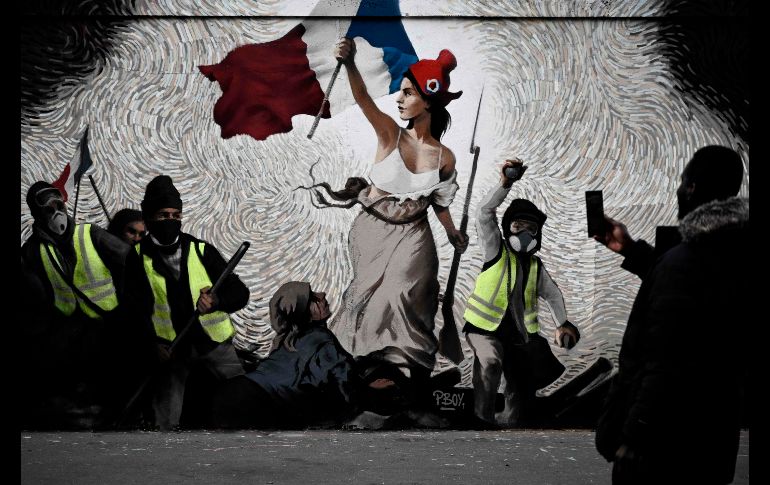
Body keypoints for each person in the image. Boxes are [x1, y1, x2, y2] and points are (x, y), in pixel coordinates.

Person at [312, 38, 468, 400]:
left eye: (409, 93)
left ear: (428, 101)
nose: (399, 100)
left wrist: (451, 232)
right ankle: (366, 367)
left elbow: (439, 201)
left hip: (416, 233)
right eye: (400, 92)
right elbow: (365, 98)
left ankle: (404, 367)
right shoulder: (388, 133)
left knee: (408, 293)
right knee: (369, 298)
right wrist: (349, 64)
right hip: (374, 229)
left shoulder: (445, 156)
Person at [594, 146, 749, 484]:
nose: (678, 190)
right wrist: (632, 250)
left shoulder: (686, 262)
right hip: (712, 442)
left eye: (682, 182)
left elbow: (667, 361)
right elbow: (698, 296)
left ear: (691, 187)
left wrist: (635, 436)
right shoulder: (731, 254)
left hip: (662, 451)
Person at [20, 181, 155, 429]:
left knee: (121, 379)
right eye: (47, 210)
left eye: (58, 206)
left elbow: (132, 263)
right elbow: (32, 301)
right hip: (71, 330)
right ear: (35, 213)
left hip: (112, 321)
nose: (55, 214)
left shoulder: (89, 234)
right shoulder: (31, 251)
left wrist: (134, 305)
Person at [463, 159, 580, 427]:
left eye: (531, 229)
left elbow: (552, 294)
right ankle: (481, 420)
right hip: (483, 328)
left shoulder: (537, 267)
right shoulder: (496, 251)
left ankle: (510, 422)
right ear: (507, 229)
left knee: (520, 382)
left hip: (518, 335)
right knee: (490, 363)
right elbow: (484, 212)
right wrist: (505, 183)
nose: (525, 234)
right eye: (518, 227)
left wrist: (563, 322)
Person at [136, 175, 249, 430]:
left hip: (214, 344)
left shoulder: (201, 250)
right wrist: (152, 345)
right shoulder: (136, 258)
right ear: (149, 217)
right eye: (163, 215)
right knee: (164, 422)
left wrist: (217, 301)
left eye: (176, 215)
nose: (170, 221)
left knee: (243, 400)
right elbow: (134, 309)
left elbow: (240, 293)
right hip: (171, 351)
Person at [213, 281, 360, 429]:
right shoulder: (320, 338)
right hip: (255, 402)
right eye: (312, 298)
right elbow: (345, 381)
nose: (322, 294)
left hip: (234, 392)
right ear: (304, 313)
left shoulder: (287, 341)